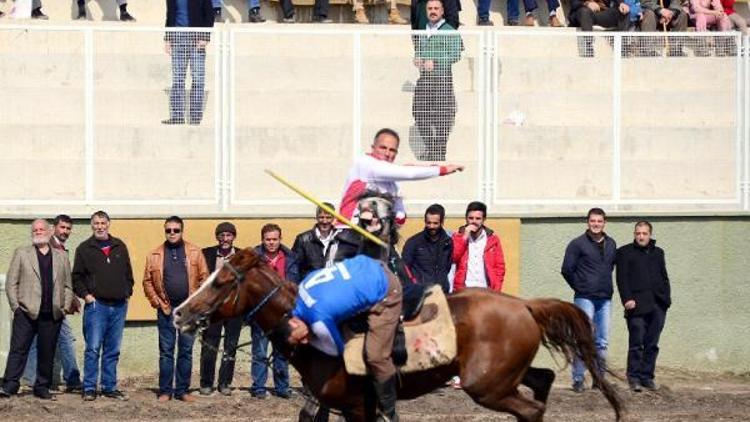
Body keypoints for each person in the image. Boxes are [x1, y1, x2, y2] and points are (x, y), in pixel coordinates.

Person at [287, 254, 403, 421]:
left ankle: (388, 412)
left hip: (386, 288)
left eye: (302, 338)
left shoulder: (320, 320)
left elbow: (337, 352)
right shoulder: (300, 294)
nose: (305, 339)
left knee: (376, 356)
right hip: (367, 264)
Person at [0, 220, 74, 400]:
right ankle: (9, 386)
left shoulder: (61, 256)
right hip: (25, 312)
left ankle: (42, 387)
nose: (38, 232)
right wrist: (16, 308)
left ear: (49, 231)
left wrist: (63, 308)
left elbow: (67, 286)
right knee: (18, 349)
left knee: (47, 351)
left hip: (51, 314)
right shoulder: (22, 253)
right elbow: (11, 283)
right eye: (35, 230)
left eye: (41, 229)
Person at [143, 216, 209, 402]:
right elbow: (147, 282)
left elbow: (205, 278)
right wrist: (156, 302)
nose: (172, 233)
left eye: (176, 230)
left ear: (182, 231)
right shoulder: (154, 254)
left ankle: (182, 390)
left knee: (186, 351)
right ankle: (165, 391)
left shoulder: (195, 252)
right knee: (166, 351)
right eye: (168, 230)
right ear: (165, 231)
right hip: (166, 309)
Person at [72, 210, 134, 401]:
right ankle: (89, 387)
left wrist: (127, 292)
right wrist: (86, 296)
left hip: (119, 306)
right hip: (97, 307)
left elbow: (128, 273)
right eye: (96, 223)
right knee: (93, 348)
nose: (100, 226)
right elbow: (77, 277)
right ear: (92, 225)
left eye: (103, 223)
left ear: (109, 224)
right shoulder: (84, 248)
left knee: (113, 350)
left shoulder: (119, 246)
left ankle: (109, 386)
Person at [23, 215, 83, 393]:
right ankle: (72, 379)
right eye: (62, 227)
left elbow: (64, 280)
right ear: (53, 228)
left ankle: (32, 379)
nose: (65, 231)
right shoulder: (49, 246)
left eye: (68, 228)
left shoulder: (61, 248)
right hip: (48, 304)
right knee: (65, 339)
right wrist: (66, 304)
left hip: (52, 304)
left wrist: (70, 299)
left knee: (36, 340)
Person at [561, 207, 616, 393]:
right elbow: (567, 270)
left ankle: (599, 379)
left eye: (599, 221)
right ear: (588, 222)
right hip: (585, 298)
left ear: (604, 223)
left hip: (605, 299)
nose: (596, 224)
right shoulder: (577, 244)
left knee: (602, 341)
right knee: (583, 339)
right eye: (593, 221)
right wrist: (580, 286)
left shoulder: (611, 244)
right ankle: (578, 379)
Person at [616, 221, 671, 392]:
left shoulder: (658, 252)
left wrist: (666, 300)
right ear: (634, 234)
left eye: (644, 233)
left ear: (650, 234)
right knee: (636, 343)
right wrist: (627, 299)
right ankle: (634, 378)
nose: (641, 236)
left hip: (658, 305)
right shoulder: (624, 252)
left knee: (652, 344)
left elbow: (664, 276)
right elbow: (621, 279)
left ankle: (647, 377)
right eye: (638, 233)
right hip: (636, 305)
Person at [250, 224, 300, 399]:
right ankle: (258, 388)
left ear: (280, 239)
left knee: (282, 352)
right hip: (261, 314)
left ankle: (282, 387)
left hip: (283, 313)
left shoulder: (291, 258)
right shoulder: (253, 259)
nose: (271, 243)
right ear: (262, 240)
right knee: (260, 352)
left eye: (274, 239)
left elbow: (295, 284)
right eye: (268, 239)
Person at [412, 0, 462, 162]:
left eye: (436, 9)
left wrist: (437, 61)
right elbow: (419, 50)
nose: (433, 11)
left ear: (442, 11)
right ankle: (432, 148)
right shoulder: (422, 30)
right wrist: (418, 58)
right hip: (425, 78)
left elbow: (456, 54)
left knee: (443, 116)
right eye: (430, 8)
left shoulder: (449, 30)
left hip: (442, 78)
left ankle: (439, 151)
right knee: (419, 113)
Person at [199, 222, 242, 396]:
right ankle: (206, 382)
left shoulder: (241, 256)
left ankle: (225, 382)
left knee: (230, 347)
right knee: (209, 347)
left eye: (228, 235)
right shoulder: (206, 254)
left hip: (234, 310)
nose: (225, 239)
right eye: (221, 235)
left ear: (233, 237)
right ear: (217, 237)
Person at [162, 0, 214, 126]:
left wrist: (205, 36)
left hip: (196, 37)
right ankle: (177, 116)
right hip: (178, 37)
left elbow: (209, 15)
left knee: (198, 78)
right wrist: (168, 38)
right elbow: (170, 15)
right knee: (178, 78)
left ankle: (195, 118)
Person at [451, 201, 506, 293]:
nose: (474, 221)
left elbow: (500, 267)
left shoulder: (493, 239)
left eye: (478, 218)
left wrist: (496, 289)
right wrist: (464, 237)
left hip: (486, 289)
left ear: (483, 219)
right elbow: (453, 257)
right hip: (464, 289)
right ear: (466, 219)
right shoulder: (457, 237)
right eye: (471, 218)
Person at [402, 204, 453, 293]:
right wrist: (414, 285)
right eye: (428, 223)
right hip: (421, 293)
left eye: (435, 223)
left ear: (442, 222)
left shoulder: (448, 242)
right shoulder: (413, 242)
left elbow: (447, 267)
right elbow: (404, 268)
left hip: (443, 292)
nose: (431, 226)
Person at [292, 204, 336, 279]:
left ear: (333, 218)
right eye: (321, 217)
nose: (325, 221)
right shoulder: (303, 239)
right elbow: (294, 267)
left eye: (328, 217)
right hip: (311, 285)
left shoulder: (340, 238)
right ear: (316, 217)